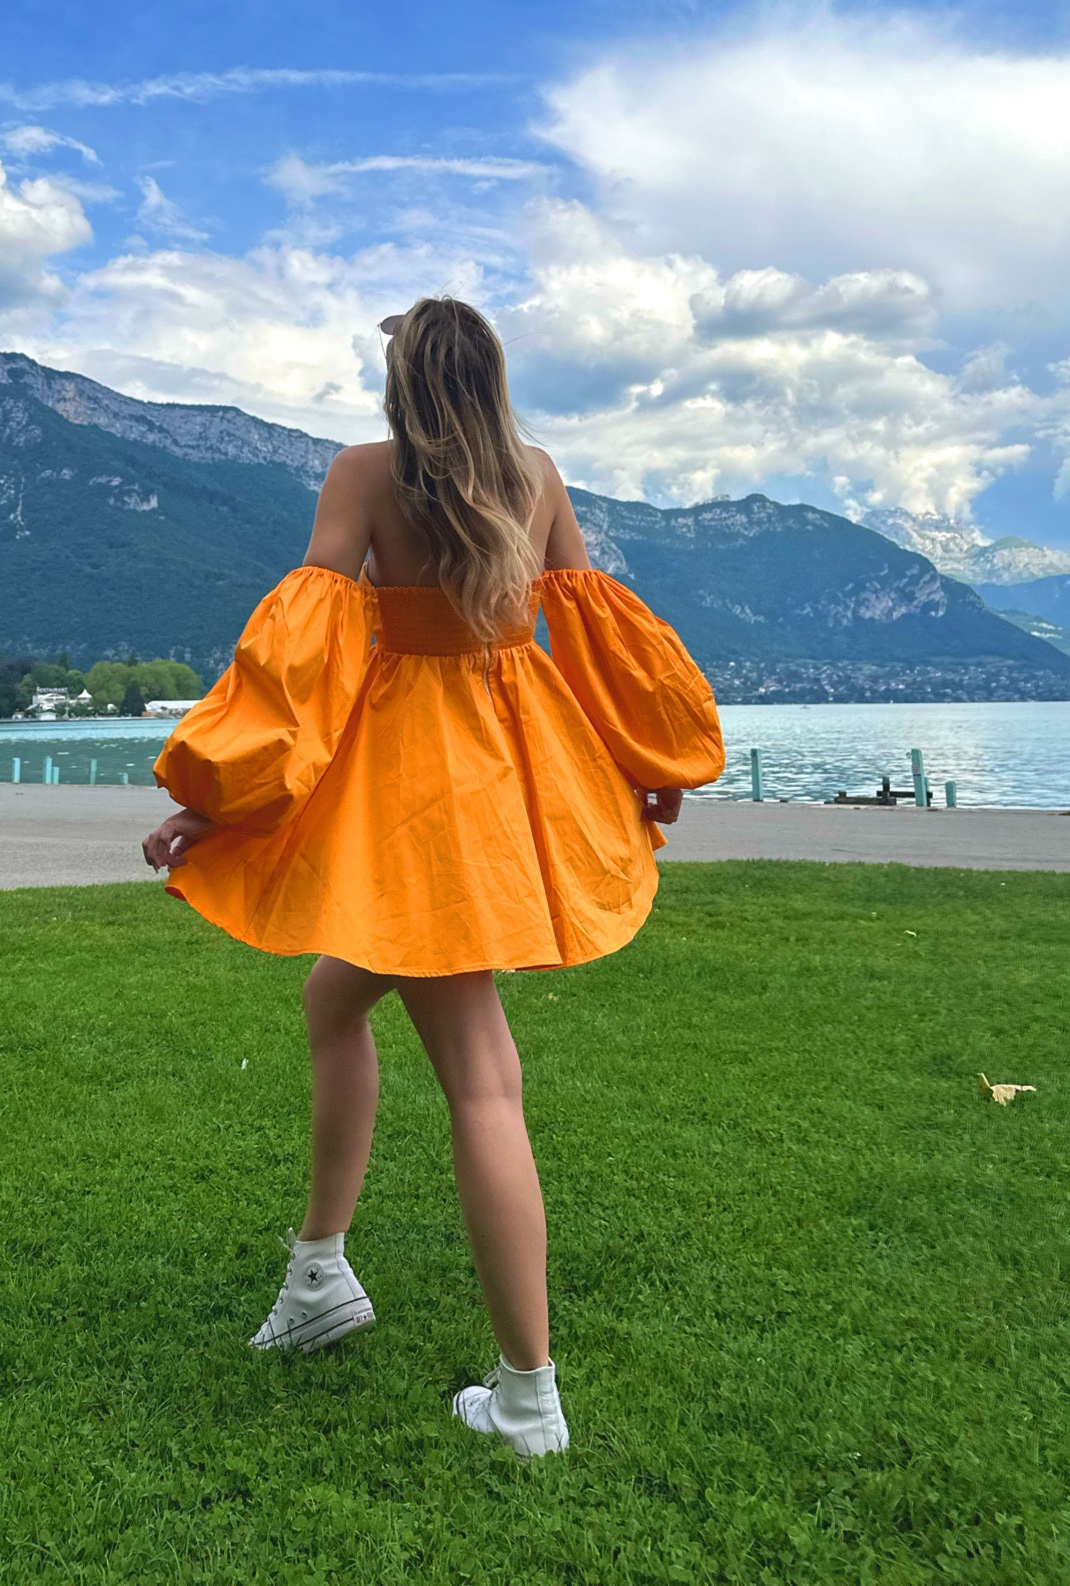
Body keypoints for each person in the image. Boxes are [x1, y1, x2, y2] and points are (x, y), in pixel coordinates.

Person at [142, 298, 724, 1457]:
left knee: (482, 1078)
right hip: (509, 774)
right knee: (333, 998)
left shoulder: (365, 474)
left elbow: (297, 659)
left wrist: (214, 795)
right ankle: (320, 1272)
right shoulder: (536, 476)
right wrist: (649, 764)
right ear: (491, 377)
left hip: (417, 790)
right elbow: (600, 640)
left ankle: (528, 1395)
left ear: (402, 380)